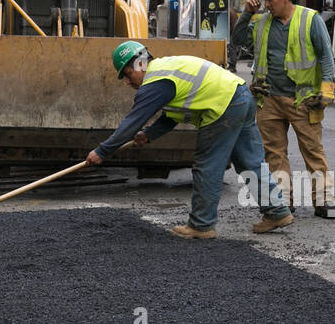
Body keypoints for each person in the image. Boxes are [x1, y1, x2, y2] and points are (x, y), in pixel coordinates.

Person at [86, 41, 292, 239]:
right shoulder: (165, 73)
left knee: (208, 164)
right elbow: (170, 117)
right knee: (249, 160)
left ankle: (201, 225)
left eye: (128, 74)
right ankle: (277, 211)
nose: (127, 82)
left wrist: (102, 151)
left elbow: (131, 123)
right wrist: (149, 134)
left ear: (140, 63)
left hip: (224, 106)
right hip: (240, 96)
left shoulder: (155, 83)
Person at [232, 0, 335, 217]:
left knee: (312, 150)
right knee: (274, 153)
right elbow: (237, 40)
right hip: (268, 98)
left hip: (304, 99)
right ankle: (282, 201)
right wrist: (247, 13)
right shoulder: (260, 23)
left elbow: (325, 57)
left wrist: (326, 91)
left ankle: (324, 200)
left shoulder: (310, 20)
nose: (267, 4)